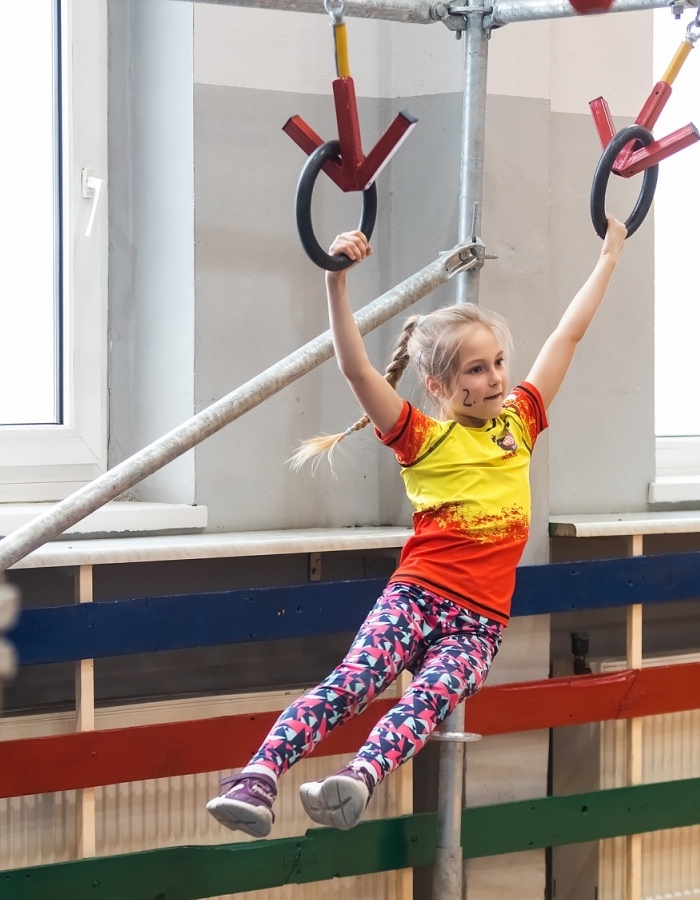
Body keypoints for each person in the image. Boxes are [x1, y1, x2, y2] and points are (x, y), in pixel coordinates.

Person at [207, 217, 629, 838]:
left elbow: (568, 335)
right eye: (477, 371)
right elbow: (356, 371)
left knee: (425, 702)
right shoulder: (421, 438)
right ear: (438, 385)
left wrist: (609, 259)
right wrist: (336, 284)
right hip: (418, 596)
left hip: (481, 621)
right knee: (355, 682)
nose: (496, 380)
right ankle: (258, 775)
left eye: (498, 364)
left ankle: (357, 779)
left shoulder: (521, 423)